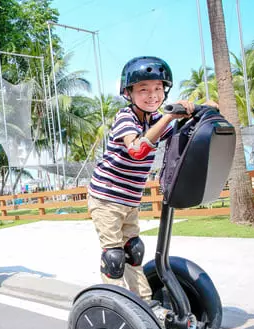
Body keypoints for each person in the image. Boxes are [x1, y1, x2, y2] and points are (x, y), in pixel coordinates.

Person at [88, 56, 207, 303]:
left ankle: (143, 302)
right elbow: (138, 150)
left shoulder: (154, 120)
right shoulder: (125, 118)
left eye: (158, 89)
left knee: (134, 250)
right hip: (106, 197)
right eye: (143, 89)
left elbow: (179, 131)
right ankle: (116, 304)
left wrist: (202, 108)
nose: (152, 95)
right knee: (114, 256)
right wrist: (169, 117)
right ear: (129, 93)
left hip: (129, 200)